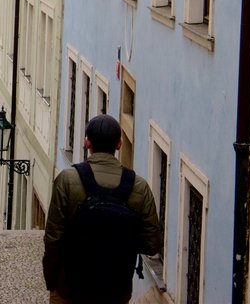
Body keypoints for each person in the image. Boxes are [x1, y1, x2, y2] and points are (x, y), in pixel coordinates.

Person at [42, 114, 162, 304]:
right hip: (116, 289)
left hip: (70, 287)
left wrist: (52, 280)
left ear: (87, 142)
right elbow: (152, 243)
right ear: (119, 144)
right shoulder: (139, 186)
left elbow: (53, 238)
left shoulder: (67, 179)